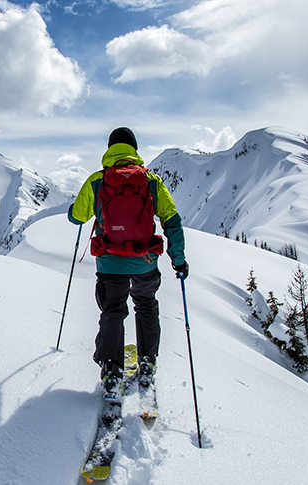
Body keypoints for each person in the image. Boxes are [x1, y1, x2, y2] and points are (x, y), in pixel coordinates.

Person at [68, 127, 187, 401]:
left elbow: (77, 217)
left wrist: (75, 212)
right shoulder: (151, 181)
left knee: (113, 311)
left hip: (110, 262)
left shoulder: (98, 180)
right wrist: (178, 260)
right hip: (145, 260)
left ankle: (111, 373)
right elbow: (172, 220)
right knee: (146, 305)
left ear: (110, 148)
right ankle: (147, 365)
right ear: (133, 149)